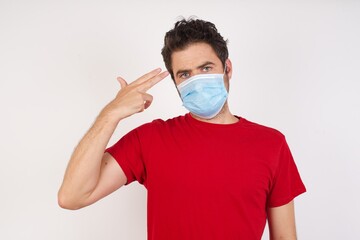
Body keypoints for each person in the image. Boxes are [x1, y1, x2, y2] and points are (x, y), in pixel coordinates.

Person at [58, 18, 306, 240]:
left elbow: (285, 236)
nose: (196, 81)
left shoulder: (271, 144)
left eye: (206, 68)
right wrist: (110, 114)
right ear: (176, 81)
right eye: (185, 74)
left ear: (227, 68)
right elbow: (72, 196)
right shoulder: (150, 140)